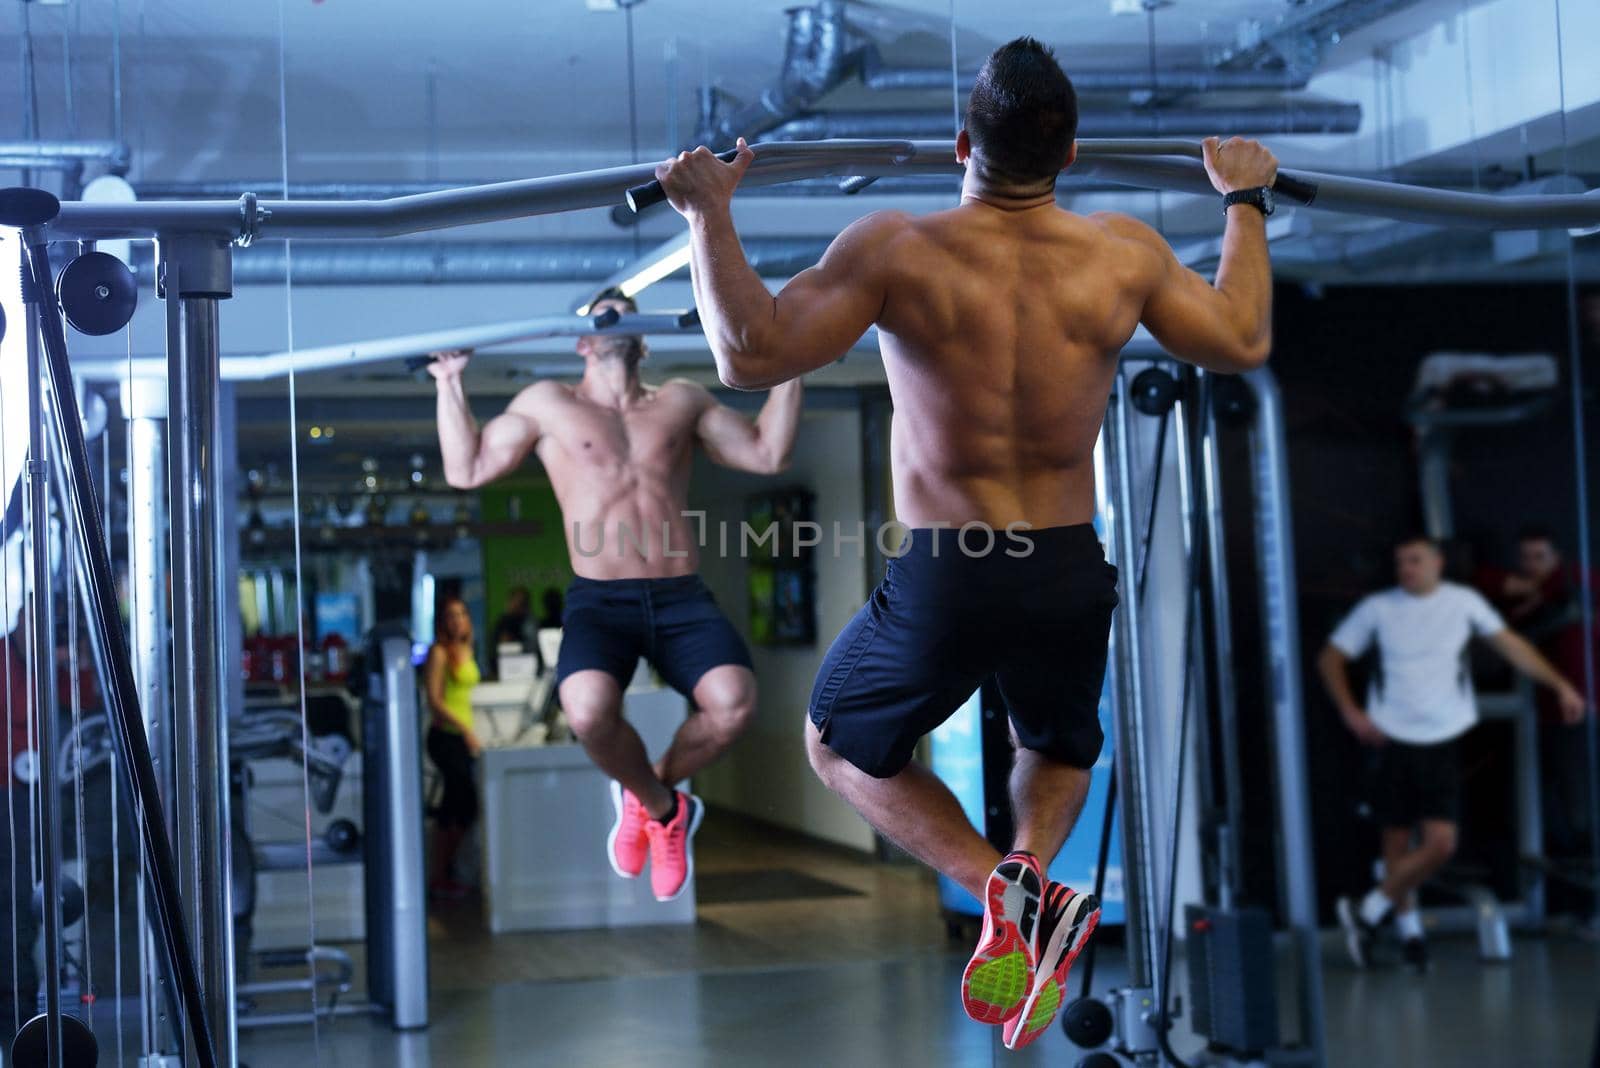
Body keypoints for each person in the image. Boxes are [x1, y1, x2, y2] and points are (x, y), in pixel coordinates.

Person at [654, 36, 1280, 1049]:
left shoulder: (898, 247)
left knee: (837, 744)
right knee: (1057, 740)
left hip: (954, 566)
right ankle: (1034, 873)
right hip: (1071, 560)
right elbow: (1242, 339)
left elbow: (747, 354)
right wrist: (1243, 205)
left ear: (959, 145)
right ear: (1071, 153)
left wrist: (707, 213)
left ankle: (1001, 889)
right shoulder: (1122, 252)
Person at [429, 288, 802, 902]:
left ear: (645, 337)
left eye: (625, 314)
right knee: (586, 711)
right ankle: (663, 807)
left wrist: (793, 369)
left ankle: (649, 794)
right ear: (582, 342)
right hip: (601, 601)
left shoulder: (681, 401)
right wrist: (449, 382)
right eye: (601, 317)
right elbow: (465, 469)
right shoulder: (549, 404)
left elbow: (767, 451)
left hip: (680, 595)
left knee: (735, 703)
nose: (613, 322)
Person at [1319, 534, 1586, 972]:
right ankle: (1409, 934)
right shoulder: (1379, 608)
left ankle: (1366, 910)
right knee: (1397, 842)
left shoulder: (1463, 603)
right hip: (1392, 736)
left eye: (1415, 560)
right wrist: (1351, 711)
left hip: (1442, 736)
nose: (1407, 568)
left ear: (1437, 563)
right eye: (1400, 561)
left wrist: (1558, 684)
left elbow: (1511, 645)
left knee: (1441, 843)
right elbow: (1331, 657)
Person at [1499, 524, 1596, 925]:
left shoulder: (1576, 581)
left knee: (1583, 812)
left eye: (1540, 556)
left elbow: (1567, 589)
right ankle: (1586, 905)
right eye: (1525, 558)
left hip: (1584, 713)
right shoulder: (1530, 599)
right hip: (1557, 718)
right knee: (1570, 813)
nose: (1532, 565)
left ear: (1556, 557)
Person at [424, 596, 483, 900]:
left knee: (463, 805)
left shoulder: (467, 650)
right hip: (446, 736)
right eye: (450, 615)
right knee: (455, 804)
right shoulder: (439, 653)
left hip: (463, 735)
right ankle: (439, 875)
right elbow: (435, 701)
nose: (457, 620)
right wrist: (464, 730)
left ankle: (446, 872)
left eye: (461, 614)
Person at [490, 585, 533, 678]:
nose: (518, 605)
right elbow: (495, 649)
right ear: (509, 602)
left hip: (528, 668)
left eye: (522, 603)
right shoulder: (502, 622)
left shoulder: (530, 622)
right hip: (504, 669)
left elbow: (532, 646)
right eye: (515, 601)